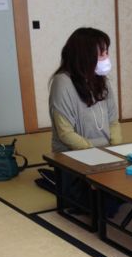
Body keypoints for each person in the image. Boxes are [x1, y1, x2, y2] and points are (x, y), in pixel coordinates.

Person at [48, 27, 122, 210]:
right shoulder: (62, 82)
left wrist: (117, 153)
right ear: (85, 56)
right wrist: (98, 157)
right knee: (105, 205)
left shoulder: (102, 80)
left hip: (105, 155)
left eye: (106, 52)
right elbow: (66, 134)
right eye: (102, 53)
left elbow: (113, 121)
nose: (106, 57)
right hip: (76, 155)